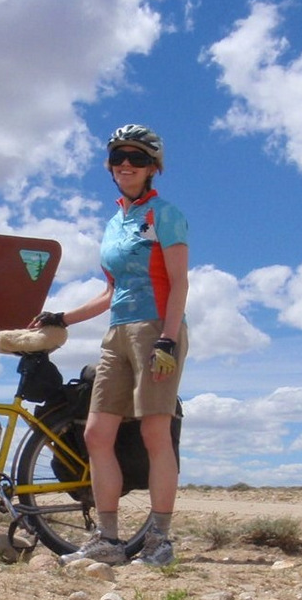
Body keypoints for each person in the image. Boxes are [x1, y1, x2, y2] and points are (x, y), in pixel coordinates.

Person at [31, 124, 188, 567]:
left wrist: (168, 338)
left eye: (137, 158)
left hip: (156, 327)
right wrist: (63, 316)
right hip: (117, 331)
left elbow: (179, 284)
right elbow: (110, 291)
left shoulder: (165, 214)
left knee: (155, 432)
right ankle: (108, 539)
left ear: (153, 167)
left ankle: (159, 541)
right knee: (97, 432)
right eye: (119, 155)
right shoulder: (115, 222)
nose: (126, 164)